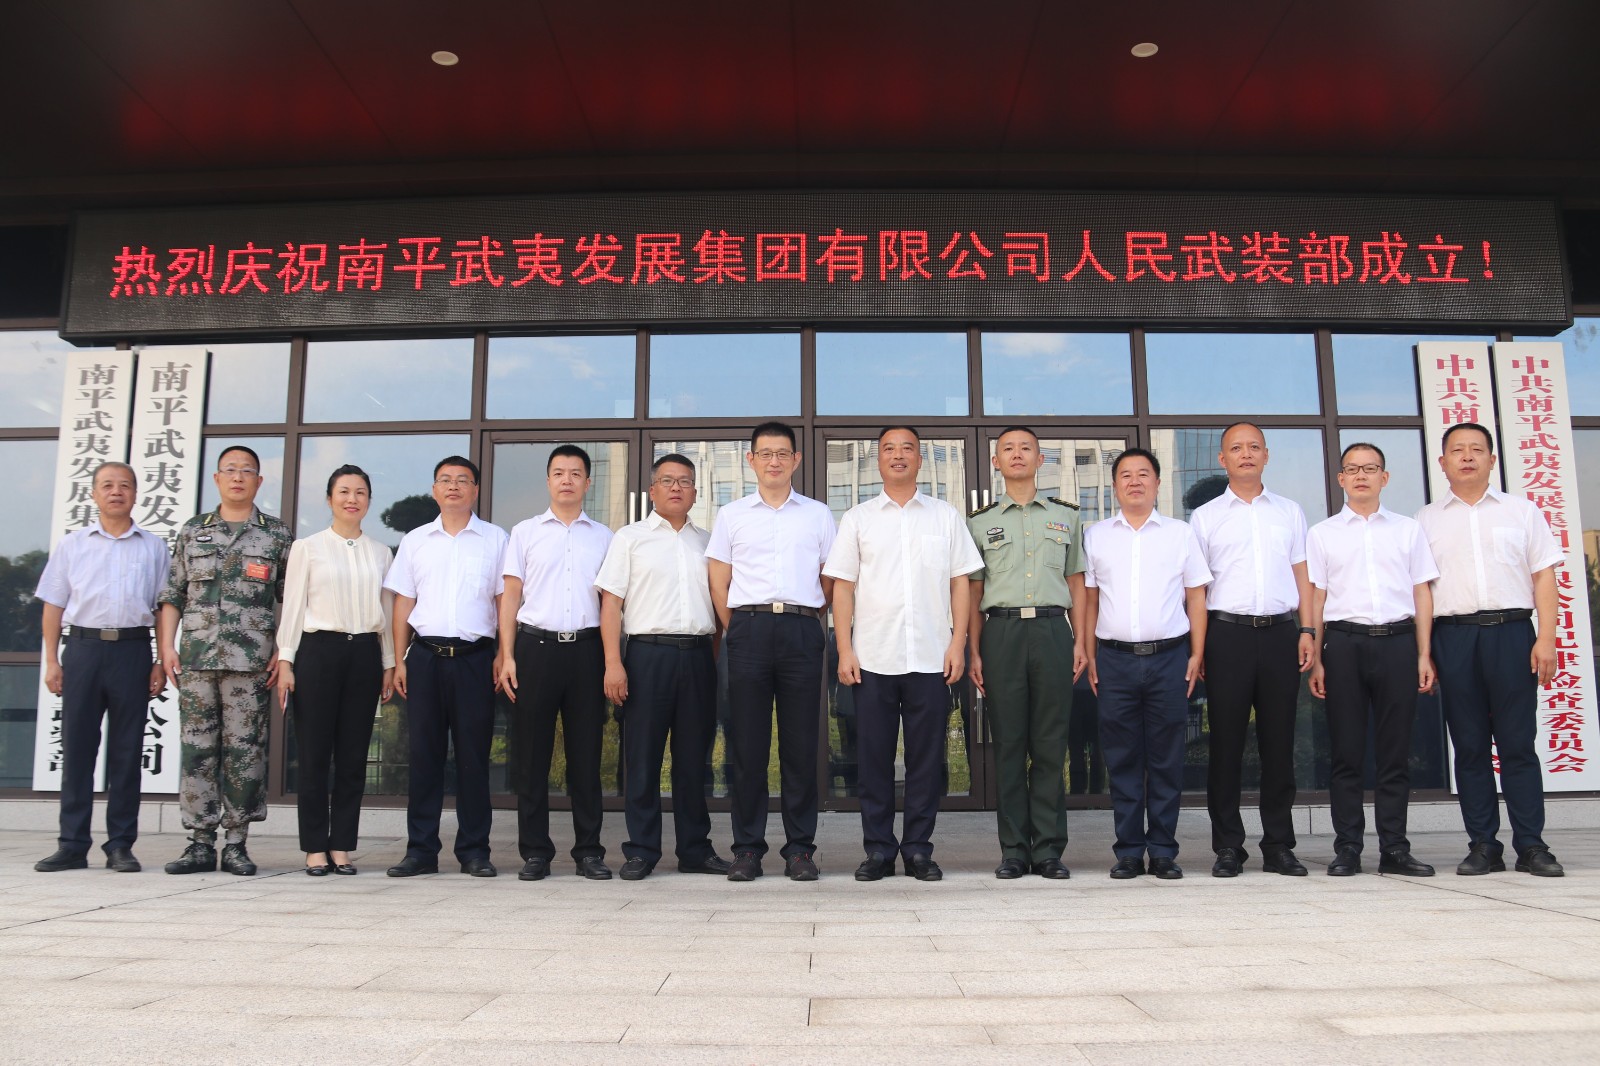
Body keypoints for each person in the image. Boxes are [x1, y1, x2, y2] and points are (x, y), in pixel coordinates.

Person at [827, 427, 982, 882]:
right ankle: (878, 850)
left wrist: (957, 642)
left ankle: (918, 850)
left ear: (919, 459)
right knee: (873, 761)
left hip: (932, 657)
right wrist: (844, 648)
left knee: (926, 761)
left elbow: (960, 582)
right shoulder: (858, 518)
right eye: (889, 449)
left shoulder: (944, 516)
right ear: (878, 460)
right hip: (872, 658)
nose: (898, 456)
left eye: (907, 448)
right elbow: (842, 588)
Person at [1416, 423, 1565, 877]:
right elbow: (1421, 591)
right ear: (1442, 462)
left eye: (1476, 449)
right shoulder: (1425, 520)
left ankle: (1532, 845)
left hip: (1512, 634)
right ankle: (1483, 844)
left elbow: (1544, 576)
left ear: (1492, 460)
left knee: (1518, 744)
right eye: (1457, 450)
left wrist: (1546, 637)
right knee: (1469, 746)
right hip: (1453, 637)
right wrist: (1424, 651)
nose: (1467, 457)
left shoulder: (1521, 512)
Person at [706, 421, 836, 882]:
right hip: (749, 629)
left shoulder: (818, 514)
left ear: (796, 459)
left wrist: (807, 615)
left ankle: (800, 850)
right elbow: (718, 580)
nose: (774, 461)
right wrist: (739, 627)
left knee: (801, 747)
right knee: (748, 746)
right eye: (766, 453)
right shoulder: (732, 515)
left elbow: (829, 577)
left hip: (801, 629)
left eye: (783, 453)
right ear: (752, 460)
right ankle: (747, 849)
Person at [158, 445, 294, 876]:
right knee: (197, 751)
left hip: (251, 664)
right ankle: (199, 842)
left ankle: (237, 842)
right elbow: (173, 593)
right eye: (230, 470)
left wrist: (283, 650)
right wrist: (166, 648)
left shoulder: (276, 535)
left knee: (245, 752)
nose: (238, 477)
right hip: (197, 660)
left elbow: (292, 600)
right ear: (217, 478)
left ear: (259, 481)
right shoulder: (193, 531)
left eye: (246, 471)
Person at [1306, 443, 1439, 877]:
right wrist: (1318, 658)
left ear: (1385, 477)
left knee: (1394, 753)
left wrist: (1423, 653)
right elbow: (1318, 597)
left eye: (1370, 468)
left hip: (1398, 643)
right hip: (1343, 645)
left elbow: (1422, 593)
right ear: (1341, 479)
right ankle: (1347, 848)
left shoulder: (1407, 530)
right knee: (1346, 753)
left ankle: (1394, 849)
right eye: (1352, 469)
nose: (1361, 476)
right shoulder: (1323, 533)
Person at [1189, 422, 1315, 878]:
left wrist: (1308, 629)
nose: (1246, 454)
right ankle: (1228, 846)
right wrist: (1199, 648)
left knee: (1279, 743)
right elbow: (1197, 589)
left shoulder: (1289, 511)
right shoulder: (1205, 518)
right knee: (1225, 743)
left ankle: (1279, 845)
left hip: (1281, 633)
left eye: (1253, 447)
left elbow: (1303, 575)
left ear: (1266, 455)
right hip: (1227, 635)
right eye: (1236, 448)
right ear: (1222, 459)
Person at [596, 453, 729, 880]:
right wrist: (613, 663)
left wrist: (709, 659)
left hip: (698, 657)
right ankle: (641, 850)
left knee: (693, 761)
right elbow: (611, 604)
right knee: (643, 758)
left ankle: (695, 850)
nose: (676, 487)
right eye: (667, 480)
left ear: (695, 492)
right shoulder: (629, 538)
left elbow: (719, 608)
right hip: (646, 656)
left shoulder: (709, 542)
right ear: (652, 490)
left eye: (684, 481)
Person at [33, 462, 169, 874]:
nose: (116, 492)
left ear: (135, 494)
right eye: (107, 485)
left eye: (124, 485)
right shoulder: (73, 545)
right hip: (83, 650)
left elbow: (163, 608)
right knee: (77, 749)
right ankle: (72, 844)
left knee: (127, 752)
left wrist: (160, 659)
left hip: (133, 651)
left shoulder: (153, 547)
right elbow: (53, 606)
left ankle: (120, 845)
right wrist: (52, 660)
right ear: (93, 494)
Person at [1082, 448, 1211, 880]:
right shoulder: (1097, 535)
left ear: (1157, 483)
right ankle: (1128, 851)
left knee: (1166, 759)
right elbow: (1091, 600)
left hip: (1169, 658)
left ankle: (1163, 851)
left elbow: (1196, 596)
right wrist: (1090, 652)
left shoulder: (1180, 534)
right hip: (1114, 660)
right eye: (1126, 475)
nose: (1134, 482)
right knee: (1121, 759)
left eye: (1143, 474)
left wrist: (1197, 652)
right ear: (1114, 485)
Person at [965, 426, 1086, 879]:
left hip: (1054, 631)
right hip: (1002, 633)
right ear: (995, 462)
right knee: (1009, 744)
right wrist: (974, 650)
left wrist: (1081, 641)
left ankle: (1049, 850)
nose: (1017, 454)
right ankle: (1014, 850)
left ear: (1040, 459)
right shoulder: (979, 522)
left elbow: (1077, 582)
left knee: (1051, 744)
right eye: (1008, 449)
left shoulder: (1066, 517)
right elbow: (974, 592)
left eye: (1026, 448)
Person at [384, 456, 508, 878]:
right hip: (424, 658)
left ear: (475, 490)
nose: (453, 486)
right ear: (435, 490)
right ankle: (421, 850)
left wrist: (504, 654)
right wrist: (399, 660)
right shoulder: (416, 540)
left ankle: (474, 851)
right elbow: (404, 602)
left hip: (476, 659)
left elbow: (503, 602)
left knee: (474, 758)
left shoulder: (496, 539)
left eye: (462, 480)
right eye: (445, 480)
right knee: (424, 756)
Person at [496, 445, 614, 881]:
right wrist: (507, 655)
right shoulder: (524, 532)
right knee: (531, 757)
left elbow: (611, 603)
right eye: (559, 472)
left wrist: (611, 660)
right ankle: (535, 852)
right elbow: (510, 597)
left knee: (586, 756)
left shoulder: (604, 537)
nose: (567, 480)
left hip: (586, 651)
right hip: (535, 649)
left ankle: (589, 852)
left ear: (587, 482)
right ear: (548, 480)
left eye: (575, 473)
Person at [275, 465, 396, 876]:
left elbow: (386, 612)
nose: (352, 499)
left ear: (368, 501)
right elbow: (293, 606)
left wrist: (388, 662)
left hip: (364, 654)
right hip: (318, 652)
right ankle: (314, 847)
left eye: (360, 492)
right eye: (344, 491)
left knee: (353, 755)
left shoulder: (381, 553)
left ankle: (342, 845)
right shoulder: (307, 548)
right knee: (313, 754)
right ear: (329, 499)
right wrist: (286, 660)